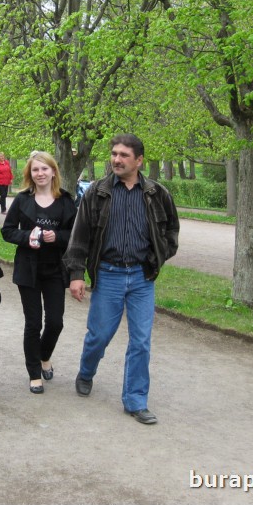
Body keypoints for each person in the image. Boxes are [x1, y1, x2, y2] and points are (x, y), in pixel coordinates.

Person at [63, 133, 179, 425]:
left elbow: (171, 233)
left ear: (139, 161)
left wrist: (157, 258)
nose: (116, 159)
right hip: (109, 275)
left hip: (142, 277)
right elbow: (80, 236)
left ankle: (136, 401)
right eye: (114, 154)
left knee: (141, 341)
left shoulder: (157, 194)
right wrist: (76, 274)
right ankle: (87, 371)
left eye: (124, 155)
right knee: (99, 336)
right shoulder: (97, 193)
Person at [1, 151, 77, 394]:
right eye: (35, 170)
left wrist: (58, 237)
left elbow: (75, 235)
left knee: (55, 322)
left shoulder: (66, 200)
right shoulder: (22, 200)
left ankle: (44, 355)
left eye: (44, 169)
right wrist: (28, 237)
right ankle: (34, 373)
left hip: (55, 268)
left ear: (53, 171)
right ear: (30, 174)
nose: (40, 173)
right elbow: (8, 230)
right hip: (28, 269)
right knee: (33, 323)